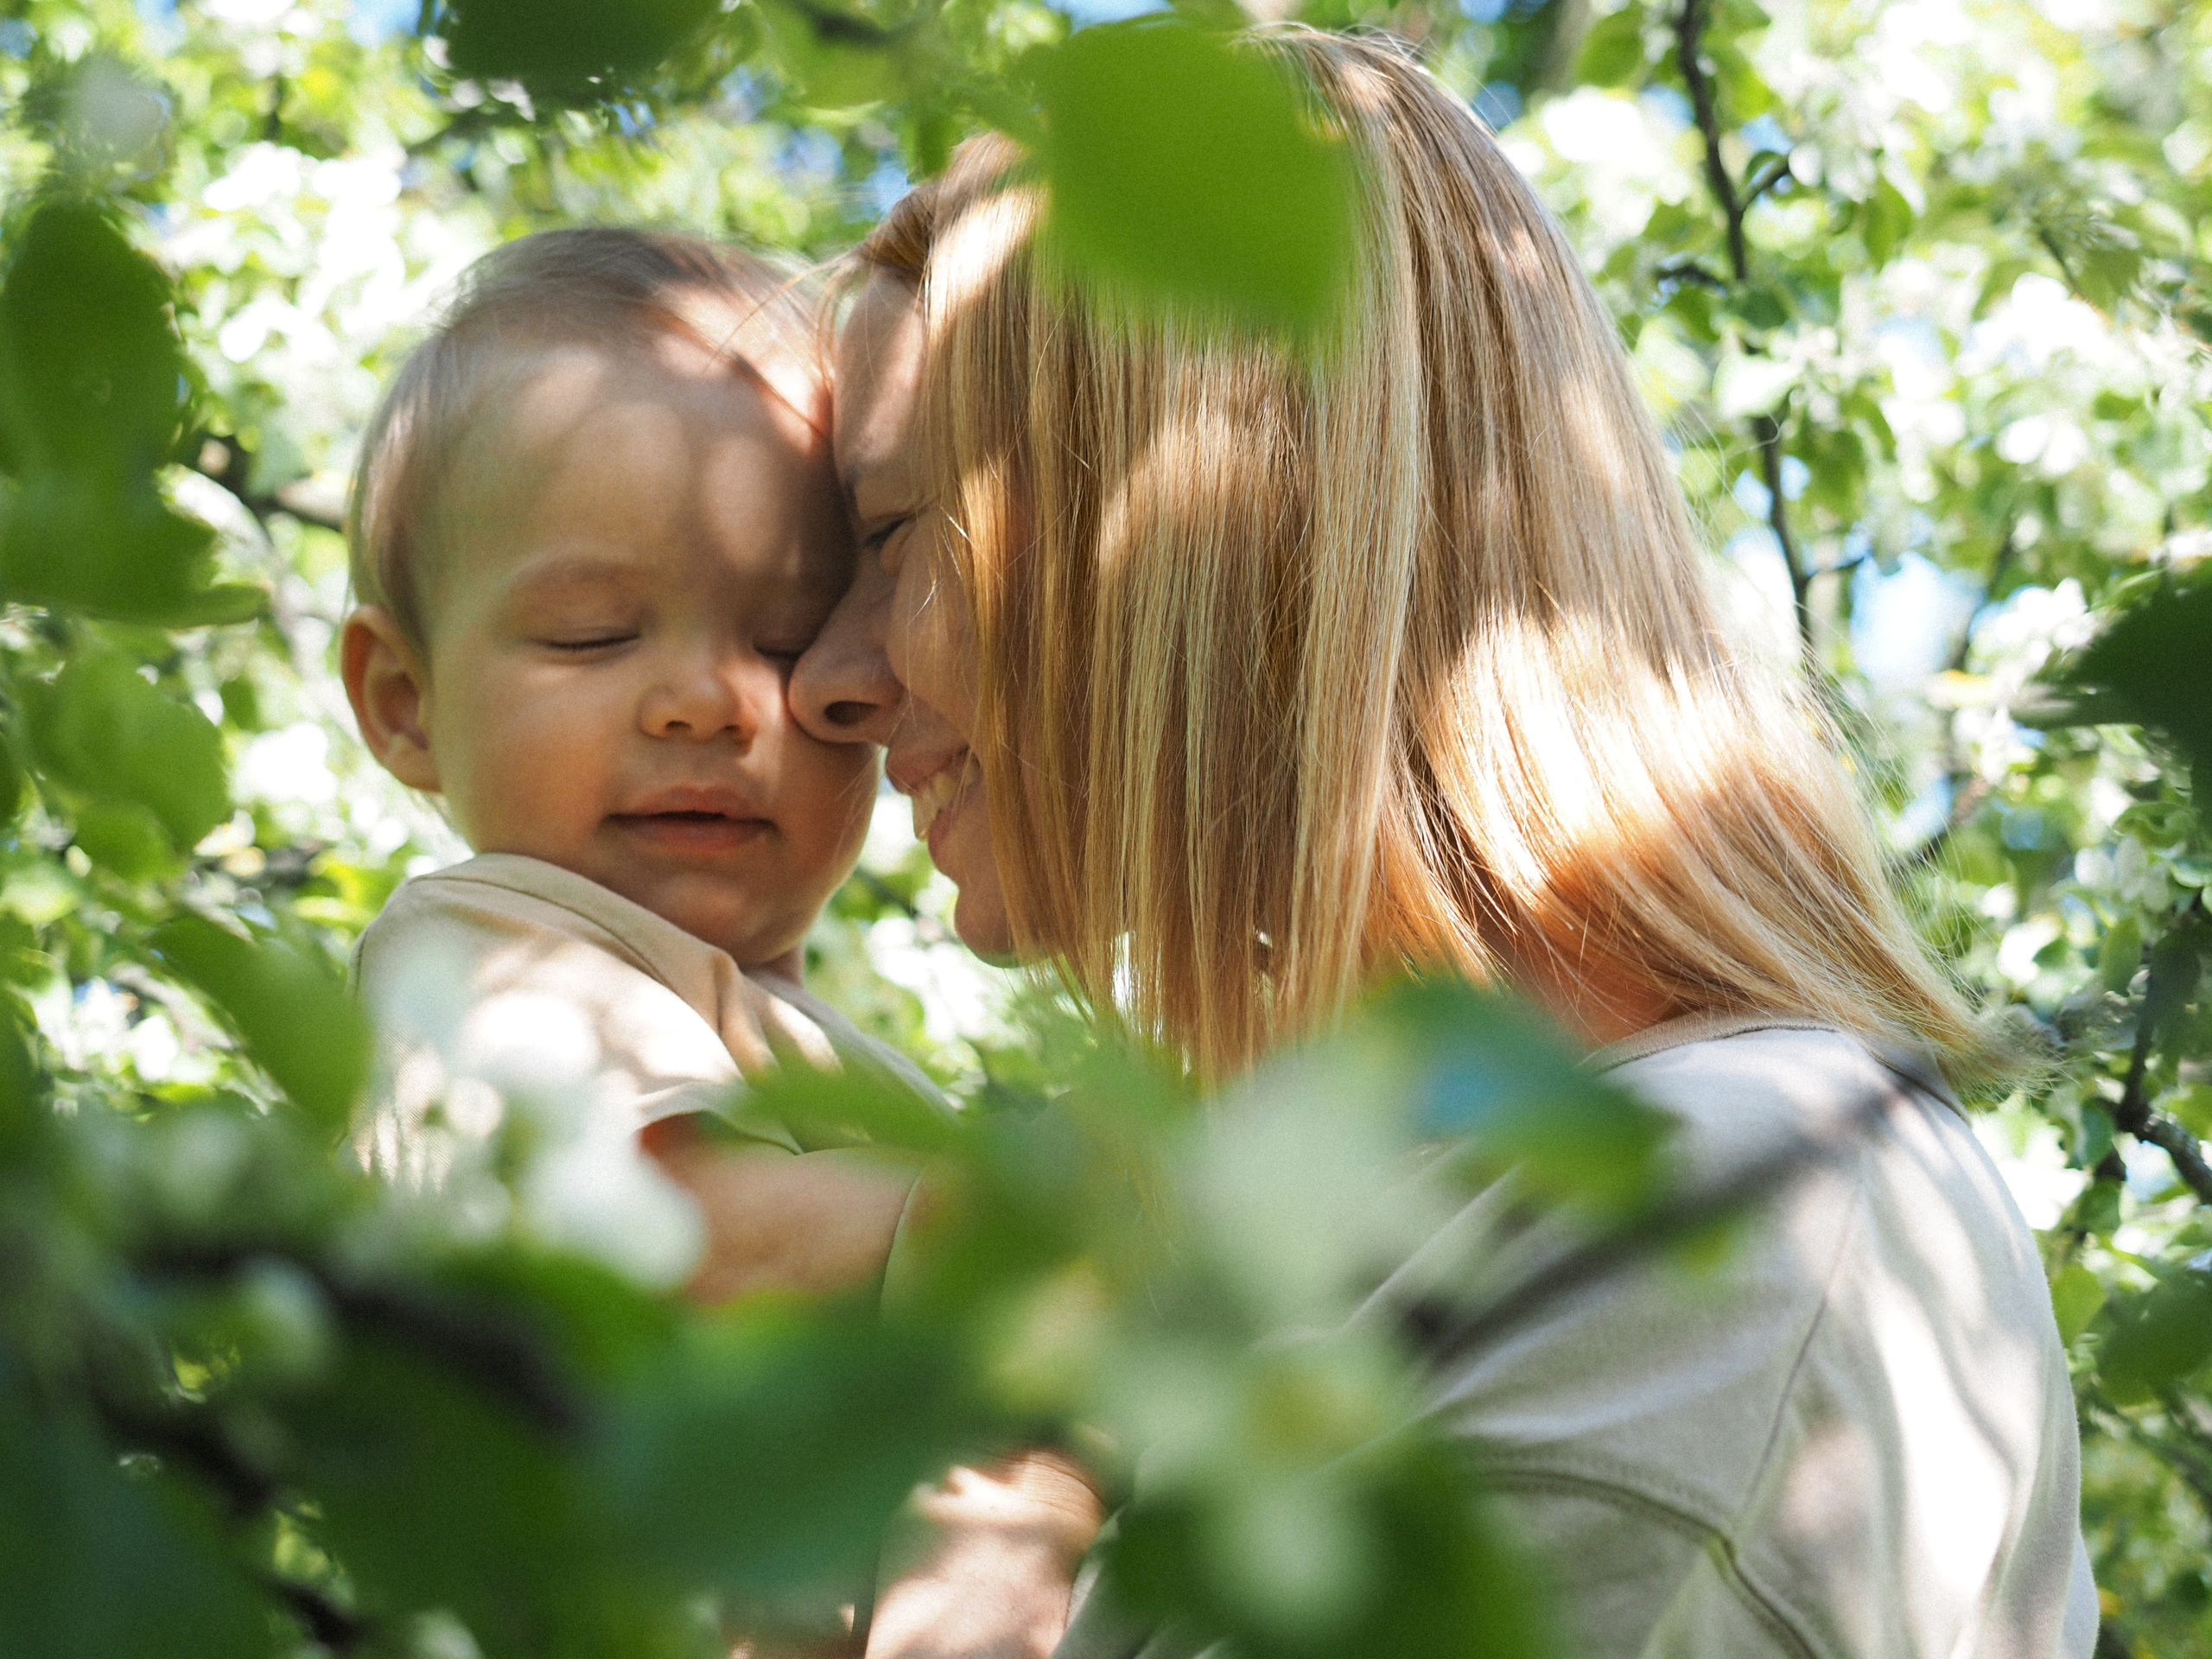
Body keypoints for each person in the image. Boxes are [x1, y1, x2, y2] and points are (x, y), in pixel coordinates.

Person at [791, 28, 2099, 1658]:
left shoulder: (1716, 1225)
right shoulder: (1354, 1262)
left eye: (898, 536)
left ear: (1195, 528)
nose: (825, 679)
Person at [340, 228, 927, 1319]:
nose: (705, 703)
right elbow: (650, 1227)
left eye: (793, 638)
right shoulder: (486, 944)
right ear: (405, 703)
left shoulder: (795, 1035)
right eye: (592, 634)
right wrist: (1035, 1235)